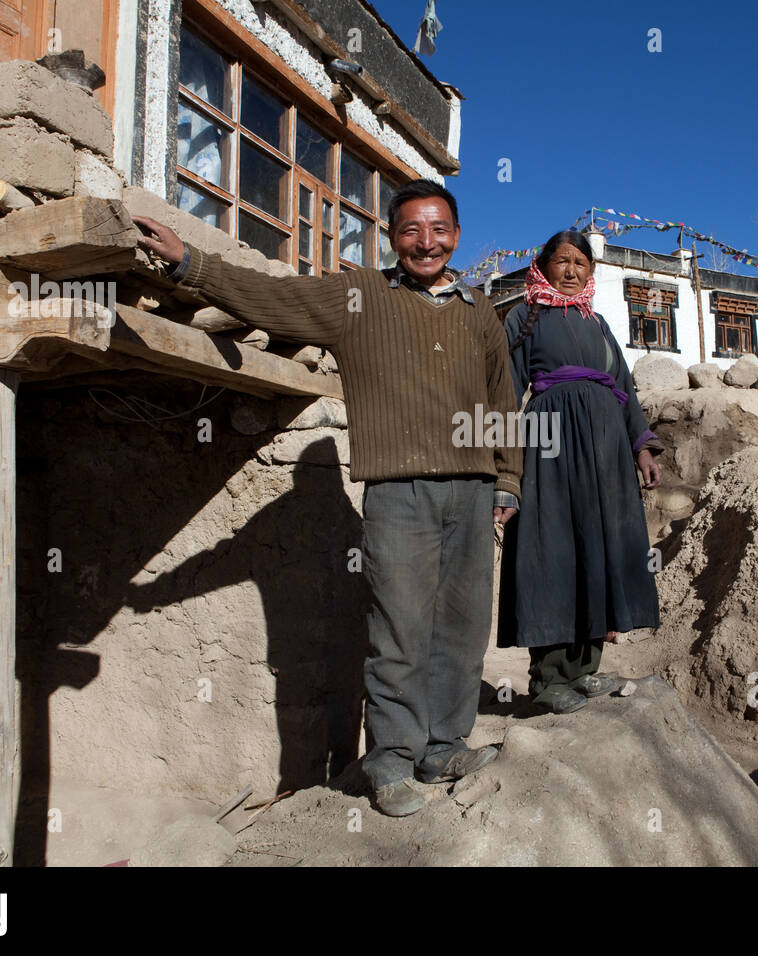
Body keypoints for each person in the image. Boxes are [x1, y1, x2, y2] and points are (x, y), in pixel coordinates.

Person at [133, 180, 522, 817]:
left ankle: (444, 746)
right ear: (391, 237)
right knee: (398, 627)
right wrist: (190, 263)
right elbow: (275, 298)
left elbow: (502, 401)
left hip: (475, 491)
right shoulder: (358, 295)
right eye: (411, 230)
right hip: (398, 491)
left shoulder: (479, 309)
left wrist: (508, 479)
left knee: (463, 626)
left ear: (456, 235)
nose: (426, 242)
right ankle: (391, 761)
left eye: (439, 229)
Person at [497, 231, 662, 714]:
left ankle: (585, 669)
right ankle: (548, 679)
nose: (571, 271)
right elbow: (505, 391)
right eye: (561, 261)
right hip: (549, 449)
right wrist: (503, 468)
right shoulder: (525, 317)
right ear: (542, 266)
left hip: (606, 453)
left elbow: (625, 389)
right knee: (554, 552)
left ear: (591, 270)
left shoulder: (600, 324)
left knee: (600, 550)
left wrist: (641, 447)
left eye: (580, 263)